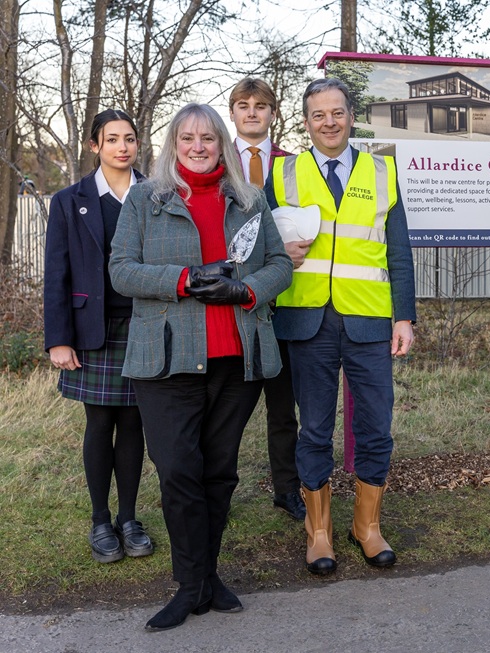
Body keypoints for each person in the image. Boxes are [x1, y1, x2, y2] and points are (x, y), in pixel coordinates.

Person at [109, 103, 292, 631]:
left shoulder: (250, 199)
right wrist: (185, 279)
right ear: (173, 143)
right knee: (178, 472)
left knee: (219, 473)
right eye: (187, 137)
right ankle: (189, 586)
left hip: (235, 359)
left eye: (207, 137)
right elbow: (121, 270)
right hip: (166, 361)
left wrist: (247, 289)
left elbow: (279, 264)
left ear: (222, 143)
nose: (198, 145)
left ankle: (207, 578)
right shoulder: (148, 197)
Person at [265, 78, 416, 575]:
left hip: (370, 319)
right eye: (317, 114)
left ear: (351, 116)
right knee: (313, 429)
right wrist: (276, 255)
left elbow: (398, 250)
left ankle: (367, 527)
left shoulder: (382, 170)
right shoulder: (283, 172)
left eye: (337, 112)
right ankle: (319, 532)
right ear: (304, 121)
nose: (328, 122)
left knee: (376, 426)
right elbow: (261, 243)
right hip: (307, 320)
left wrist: (404, 317)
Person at [43, 109, 153, 564]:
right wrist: (58, 339)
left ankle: (129, 519)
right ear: (95, 146)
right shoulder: (70, 201)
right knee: (100, 423)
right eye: (112, 140)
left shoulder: (156, 195)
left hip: (146, 326)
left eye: (129, 139)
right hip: (93, 330)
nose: (122, 147)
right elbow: (57, 275)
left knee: (134, 424)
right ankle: (100, 520)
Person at [229, 77, 305, 522]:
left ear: (273, 112)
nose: (252, 112)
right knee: (228, 414)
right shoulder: (217, 164)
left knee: (283, 410)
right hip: (234, 304)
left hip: (286, 303)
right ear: (233, 112)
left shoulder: (295, 166)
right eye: (243, 105)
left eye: (261, 105)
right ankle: (217, 493)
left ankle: (287, 489)